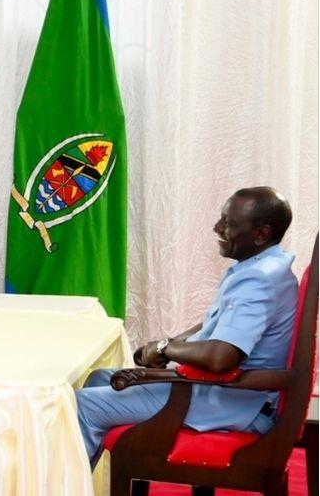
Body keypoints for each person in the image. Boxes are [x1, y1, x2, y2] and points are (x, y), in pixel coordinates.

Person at [75, 186, 297, 468]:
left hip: (230, 402)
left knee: (81, 405)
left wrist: (167, 348)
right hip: (226, 393)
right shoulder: (268, 267)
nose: (217, 228)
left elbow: (220, 358)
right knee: (99, 378)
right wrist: (169, 345)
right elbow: (214, 325)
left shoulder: (259, 280)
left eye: (228, 223)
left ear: (262, 234)